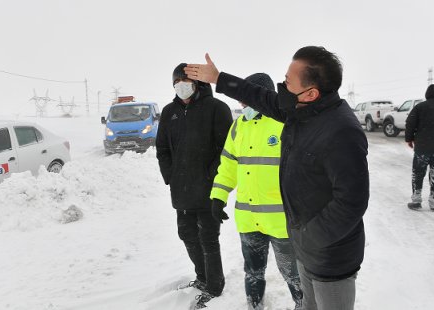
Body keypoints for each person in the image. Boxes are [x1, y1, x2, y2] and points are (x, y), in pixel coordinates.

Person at [185, 47, 369, 310]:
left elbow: (351, 202)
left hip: (330, 257)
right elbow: (260, 97)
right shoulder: (299, 111)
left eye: (288, 82)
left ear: (311, 93)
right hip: (304, 245)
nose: (282, 87)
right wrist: (219, 78)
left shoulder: (342, 131)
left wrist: (308, 237)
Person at [210, 73, 303, 310]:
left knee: (293, 273)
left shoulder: (285, 123)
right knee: (252, 272)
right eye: (241, 99)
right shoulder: (238, 126)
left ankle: (304, 305)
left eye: (246, 97)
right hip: (248, 218)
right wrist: (219, 196)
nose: (243, 104)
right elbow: (228, 164)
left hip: (281, 220)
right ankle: (254, 305)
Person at [156, 63, 233, 309]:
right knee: (187, 235)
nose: (181, 86)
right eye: (176, 82)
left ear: (197, 83)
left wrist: (211, 178)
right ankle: (202, 277)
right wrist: (171, 176)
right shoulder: (169, 112)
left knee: (208, 238)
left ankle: (215, 285)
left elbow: (226, 150)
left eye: (185, 81)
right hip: (181, 189)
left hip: (209, 189)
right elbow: (162, 149)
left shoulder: (217, 108)